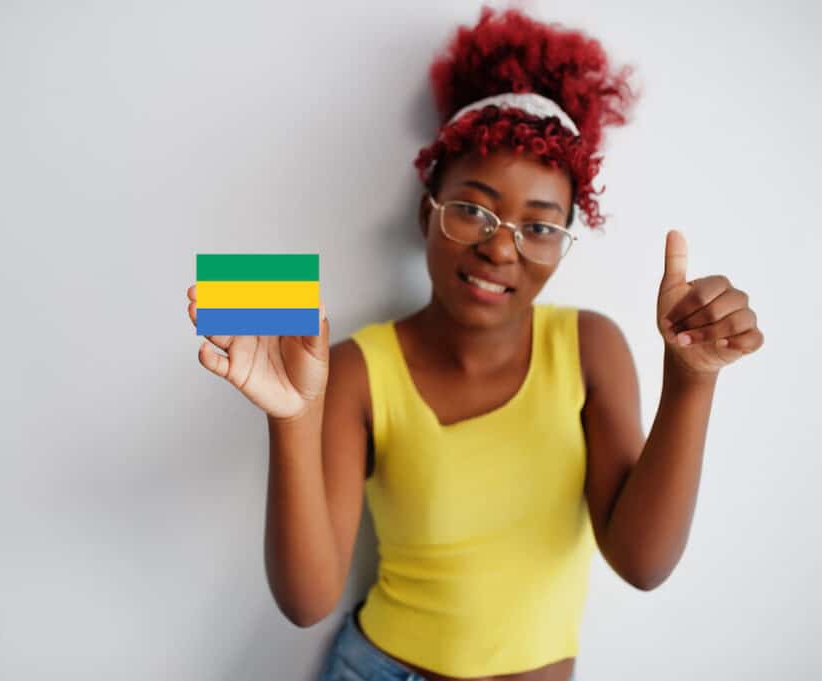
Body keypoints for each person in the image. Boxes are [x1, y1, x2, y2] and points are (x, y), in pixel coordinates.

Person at [185, 6, 764, 681]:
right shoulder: (355, 368)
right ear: (425, 209)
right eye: (473, 209)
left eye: (539, 226)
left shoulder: (591, 349)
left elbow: (642, 561)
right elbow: (307, 599)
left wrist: (692, 380)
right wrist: (290, 419)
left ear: (564, 244)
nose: (499, 246)